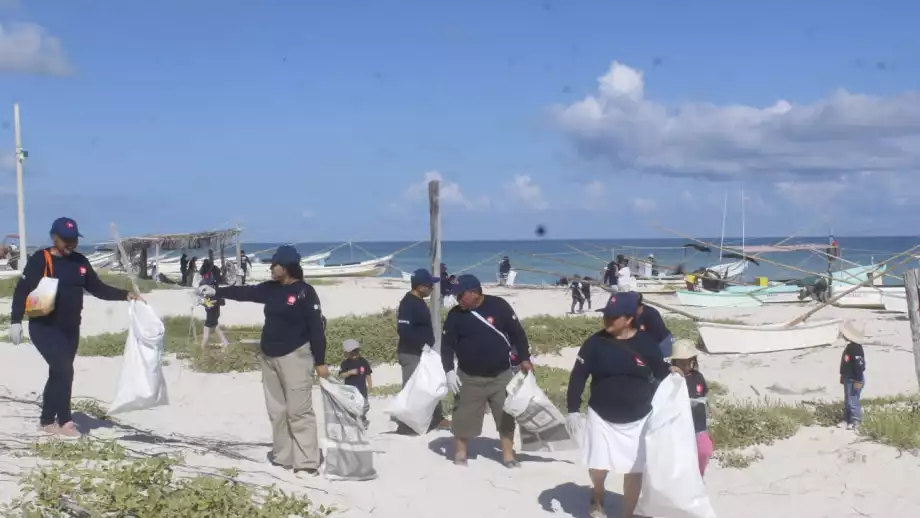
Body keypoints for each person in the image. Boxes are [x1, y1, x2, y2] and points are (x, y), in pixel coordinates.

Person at [199, 245, 328, 475]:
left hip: (295, 356)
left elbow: (316, 329)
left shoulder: (305, 292)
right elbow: (245, 293)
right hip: (269, 356)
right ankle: (283, 457)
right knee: (276, 410)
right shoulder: (271, 289)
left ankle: (307, 462)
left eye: (275, 264)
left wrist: (320, 362)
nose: (271, 268)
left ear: (287, 267)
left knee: (298, 411)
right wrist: (216, 291)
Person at [8, 218, 142, 439]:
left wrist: (125, 295)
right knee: (65, 370)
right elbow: (22, 290)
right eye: (66, 240)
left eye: (73, 240)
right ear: (55, 238)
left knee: (59, 372)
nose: (71, 244)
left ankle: (46, 420)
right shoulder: (41, 259)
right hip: (44, 327)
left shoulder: (80, 262)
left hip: (70, 330)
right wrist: (15, 321)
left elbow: (97, 288)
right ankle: (65, 420)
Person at [565, 291, 678, 518]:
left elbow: (662, 375)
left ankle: (628, 513)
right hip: (601, 415)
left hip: (639, 417)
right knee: (598, 465)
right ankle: (598, 495)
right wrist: (573, 410)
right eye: (606, 315)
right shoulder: (594, 343)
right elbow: (578, 376)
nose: (606, 320)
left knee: (634, 469)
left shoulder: (647, 344)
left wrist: (675, 376)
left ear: (628, 319)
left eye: (613, 316)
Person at [441, 274, 533, 468]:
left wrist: (525, 358)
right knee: (462, 417)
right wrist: (449, 371)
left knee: (505, 417)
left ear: (474, 293)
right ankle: (460, 454)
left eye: (460, 295)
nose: (457, 299)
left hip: (500, 376)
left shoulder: (499, 306)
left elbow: (518, 333)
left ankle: (508, 455)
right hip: (468, 377)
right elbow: (447, 346)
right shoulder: (455, 315)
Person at [395, 268, 450, 434]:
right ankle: (405, 425)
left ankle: (436, 418)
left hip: (423, 353)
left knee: (431, 384)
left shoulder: (418, 301)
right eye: (429, 286)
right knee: (412, 389)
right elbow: (403, 330)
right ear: (420, 287)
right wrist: (421, 345)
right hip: (411, 353)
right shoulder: (408, 303)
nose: (432, 289)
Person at [670, 339, 712, 477]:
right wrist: (670, 372)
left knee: (705, 451)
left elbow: (704, 394)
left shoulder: (698, 377)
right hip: (679, 428)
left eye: (689, 361)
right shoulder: (671, 378)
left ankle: (699, 477)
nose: (686, 365)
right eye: (681, 362)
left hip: (699, 426)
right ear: (674, 361)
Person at [839, 321, 866, 430]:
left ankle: (856, 420)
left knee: (853, 400)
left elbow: (859, 365)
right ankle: (847, 419)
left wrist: (858, 380)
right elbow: (845, 363)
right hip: (848, 377)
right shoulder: (849, 347)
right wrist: (842, 375)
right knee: (848, 399)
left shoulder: (856, 348)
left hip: (855, 378)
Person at [340, 339, 373, 428]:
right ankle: (355, 421)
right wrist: (349, 372)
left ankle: (362, 418)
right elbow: (341, 375)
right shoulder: (345, 363)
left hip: (362, 389)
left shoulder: (363, 361)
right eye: (352, 352)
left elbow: (368, 374)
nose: (354, 354)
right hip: (350, 390)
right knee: (352, 406)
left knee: (365, 405)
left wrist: (370, 385)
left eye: (356, 351)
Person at [634, 293, 673, 357]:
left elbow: (657, 336)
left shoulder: (651, 314)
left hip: (662, 342)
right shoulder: (632, 315)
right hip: (650, 342)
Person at [199, 275, 229, 348]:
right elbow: (221, 303)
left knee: (206, 335)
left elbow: (210, 305)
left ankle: (202, 348)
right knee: (217, 329)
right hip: (214, 316)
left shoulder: (213, 296)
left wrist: (203, 303)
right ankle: (225, 343)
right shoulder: (213, 295)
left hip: (211, 318)